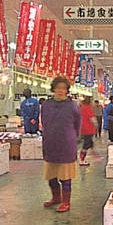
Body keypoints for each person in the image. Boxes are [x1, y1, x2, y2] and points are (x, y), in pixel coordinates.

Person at [41, 76, 81, 212]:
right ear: (53, 89)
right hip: (50, 143)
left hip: (66, 145)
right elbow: (44, 122)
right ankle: (55, 198)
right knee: (51, 175)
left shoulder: (72, 106)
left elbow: (77, 124)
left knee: (65, 176)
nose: (60, 91)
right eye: (58, 88)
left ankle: (66, 201)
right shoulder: (46, 105)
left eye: (63, 88)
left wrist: (72, 136)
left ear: (67, 91)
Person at [78, 96, 100, 166]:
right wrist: (96, 124)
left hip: (83, 128)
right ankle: (81, 160)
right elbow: (92, 118)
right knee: (86, 145)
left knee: (90, 143)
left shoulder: (81, 108)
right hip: (88, 129)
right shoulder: (88, 108)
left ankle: (94, 155)